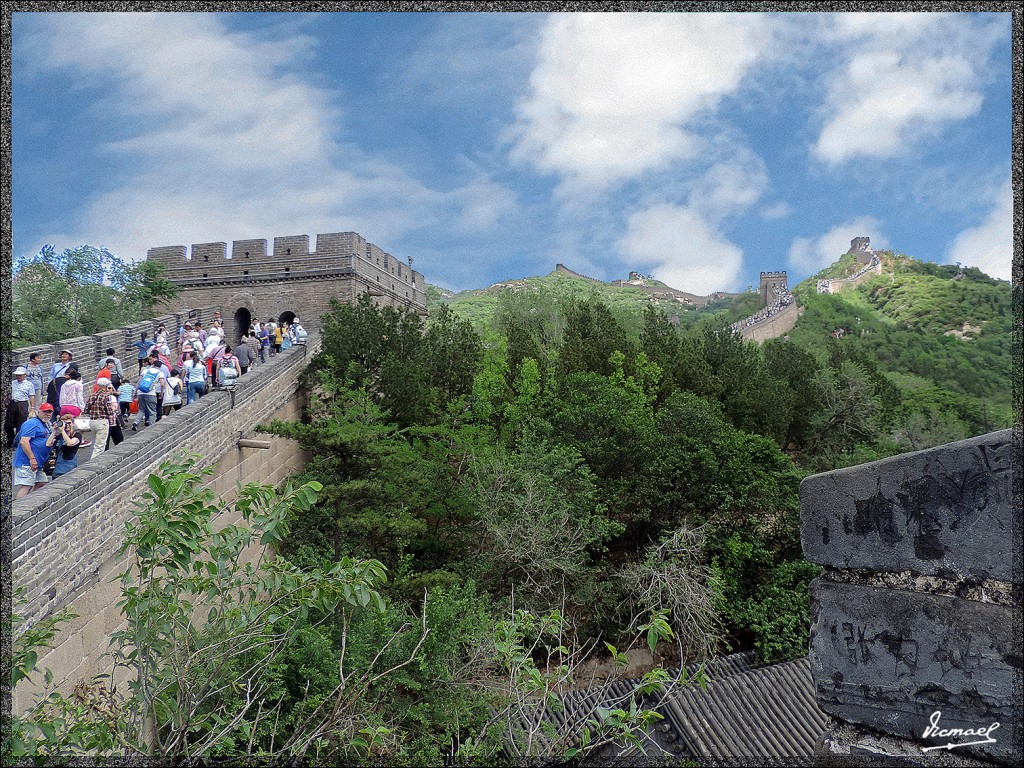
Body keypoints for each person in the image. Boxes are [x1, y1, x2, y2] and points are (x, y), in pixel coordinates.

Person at [13, 403, 55, 498]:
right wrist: (32, 459)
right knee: (27, 485)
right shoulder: (32, 423)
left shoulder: (46, 424)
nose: (47, 414)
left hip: (38, 462)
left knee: (42, 482)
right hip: (27, 462)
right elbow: (24, 442)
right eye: (45, 411)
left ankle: (30, 501)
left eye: (50, 412)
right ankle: (20, 507)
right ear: (38, 411)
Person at [6, 367, 37, 448]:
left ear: (24, 375)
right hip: (13, 403)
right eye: (17, 375)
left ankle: (17, 442)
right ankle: (10, 440)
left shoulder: (29, 384)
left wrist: (32, 407)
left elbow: (31, 396)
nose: (18, 377)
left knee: (20, 424)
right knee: (8, 424)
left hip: (22, 403)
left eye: (20, 375)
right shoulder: (13, 383)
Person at [86, 378, 117, 458]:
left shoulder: (92, 395)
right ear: (104, 386)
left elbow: (86, 409)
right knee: (100, 446)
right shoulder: (106, 396)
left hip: (92, 421)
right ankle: (93, 464)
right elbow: (109, 411)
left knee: (95, 443)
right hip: (102, 421)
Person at [50, 405, 84, 478]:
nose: (67, 426)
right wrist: (55, 431)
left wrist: (62, 431)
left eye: (69, 423)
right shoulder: (60, 436)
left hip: (69, 465)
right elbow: (48, 444)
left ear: (73, 423)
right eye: (65, 424)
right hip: (58, 465)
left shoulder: (77, 435)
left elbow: (70, 443)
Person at [132, 357, 166, 431]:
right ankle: (151, 427)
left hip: (140, 393)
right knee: (152, 411)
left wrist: (135, 392)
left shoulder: (145, 370)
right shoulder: (160, 373)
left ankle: (136, 422)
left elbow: (139, 382)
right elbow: (162, 384)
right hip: (151, 393)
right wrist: (161, 392)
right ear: (160, 366)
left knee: (141, 410)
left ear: (153, 365)